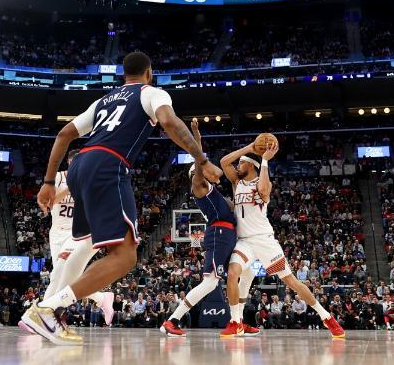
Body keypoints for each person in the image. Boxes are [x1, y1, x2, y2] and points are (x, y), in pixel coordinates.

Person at [25, 52, 222, 345]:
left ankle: (55, 311)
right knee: (126, 255)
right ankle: (48, 309)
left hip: (79, 166)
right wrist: (202, 159)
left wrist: (49, 182)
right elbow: (169, 121)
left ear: (122, 75)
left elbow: (64, 134)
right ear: (149, 72)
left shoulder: (104, 100)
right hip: (108, 165)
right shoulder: (150, 92)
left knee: (85, 243)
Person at [218, 135, 345, 339]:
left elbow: (265, 191)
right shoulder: (236, 183)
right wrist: (249, 147)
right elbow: (224, 161)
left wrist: (266, 160)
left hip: (264, 240)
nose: (237, 164)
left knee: (291, 282)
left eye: (241, 163)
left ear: (251, 166)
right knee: (232, 274)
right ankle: (235, 322)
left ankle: (326, 317)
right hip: (245, 242)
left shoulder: (261, 182)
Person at [161, 119, 239, 337]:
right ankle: (172, 320)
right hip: (219, 234)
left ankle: (238, 320)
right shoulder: (199, 186)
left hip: (227, 235)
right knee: (209, 283)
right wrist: (196, 136)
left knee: (237, 273)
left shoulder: (214, 192)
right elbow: (198, 158)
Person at [27, 150, 114, 331]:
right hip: (58, 232)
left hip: (78, 232)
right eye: (74, 162)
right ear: (68, 163)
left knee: (59, 270)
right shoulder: (57, 178)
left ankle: (41, 316)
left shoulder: (89, 180)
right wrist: (72, 187)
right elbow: (48, 204)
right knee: (64, 275)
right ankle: (101, 298)